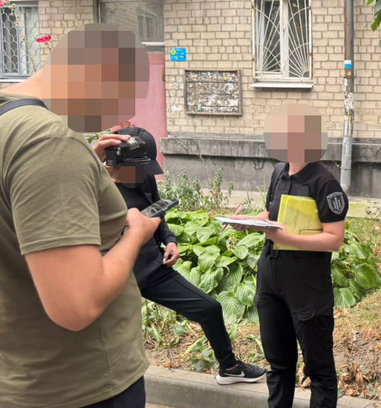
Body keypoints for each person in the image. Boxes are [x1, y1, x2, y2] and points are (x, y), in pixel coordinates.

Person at [0, 24, 159, 408]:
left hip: (22, 374)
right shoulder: (49, 140)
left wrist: (87, 169)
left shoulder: (10, 119)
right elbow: (77, 304)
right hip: (81, 386)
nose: (121, 114)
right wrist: (135, 233)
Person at [93, 127, 267, 385]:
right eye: (137, 168)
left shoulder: (143, 178)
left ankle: (229, 367)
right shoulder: (95, 187)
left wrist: (170, 240)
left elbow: (156, 212)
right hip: (117, 277)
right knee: (117, 343)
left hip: (153, 269)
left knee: (209, 308)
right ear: (116, 160)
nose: (142, 174)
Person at [230, 103, 348, 408]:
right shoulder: (279, 171)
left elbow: (335, 239)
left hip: (306, 285)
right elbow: (270, 213)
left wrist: (286, 238)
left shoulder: (325, 183)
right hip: (271, 280)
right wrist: (248, 222)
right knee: (278, 364)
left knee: (318, 368)